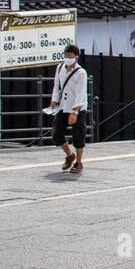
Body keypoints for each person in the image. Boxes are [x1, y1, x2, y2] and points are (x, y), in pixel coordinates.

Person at [48, 44, 88, 174]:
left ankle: (79, 162)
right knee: (56, 133)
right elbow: (56, 85)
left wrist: (75, 112)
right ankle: (70, 155)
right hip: (63, 106)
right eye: (65, 55)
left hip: (77, 108)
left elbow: (80, 93)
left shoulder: (81, 72)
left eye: (70, 56)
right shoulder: (60, 67)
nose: (67, 58)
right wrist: (54, 100)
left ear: (76, 57)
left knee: (78, 134)